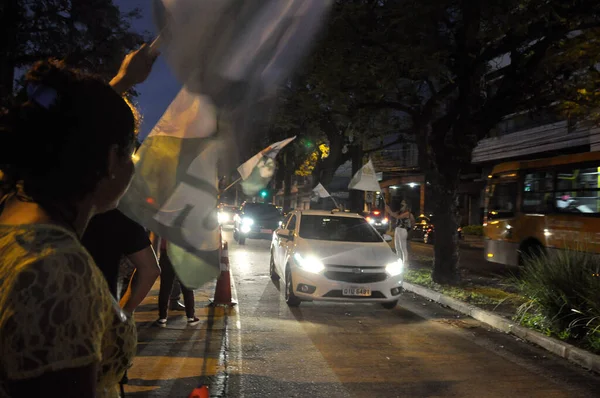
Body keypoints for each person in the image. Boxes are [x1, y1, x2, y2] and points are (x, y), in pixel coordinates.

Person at [0, 44, 156, 397]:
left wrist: (122, 81)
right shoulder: (57, 271)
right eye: (130, 151)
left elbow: (64, 125)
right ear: (111, 159)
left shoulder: (10, 208)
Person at [82, 209, 161, 314]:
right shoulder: (121, 216)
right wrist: (126, 312)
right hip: (101, 311)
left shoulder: (60, 214)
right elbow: (151, 270)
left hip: (59, 306)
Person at [155, 238, 200, 326]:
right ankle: (191, 317)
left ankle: (162, 318)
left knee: (165, 287)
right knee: (187, 288)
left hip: (166, 254)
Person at [386, 200, 416, 264]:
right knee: (397, 247)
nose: (401, 203)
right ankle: (399, 261)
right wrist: (388, 209)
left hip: (403, 230)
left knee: (403, 247)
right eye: (401, 202)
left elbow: (397, 217)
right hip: (398, 229)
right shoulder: (400, 212)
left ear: (407, 205)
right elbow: (393, 214)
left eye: (403, 203)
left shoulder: (408, 213)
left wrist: (389, 210)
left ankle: (405, 262)